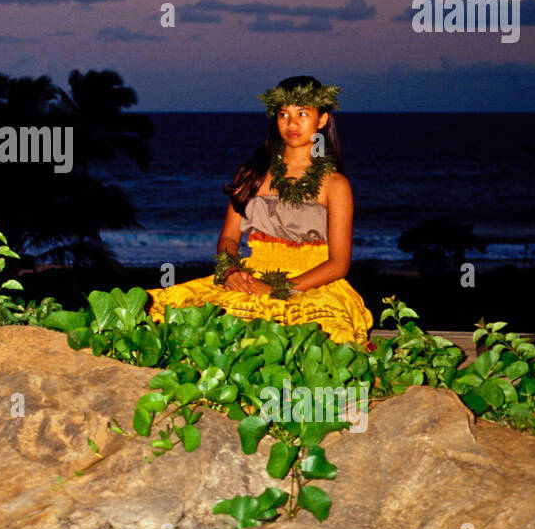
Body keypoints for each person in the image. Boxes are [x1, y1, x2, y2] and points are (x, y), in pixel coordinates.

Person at [146, 75, 374, 347]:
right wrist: (231, 273)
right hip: (251, 274)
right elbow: (229, 238)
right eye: (283, 114)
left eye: (302, 113)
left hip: (311, 283)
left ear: (322, 119)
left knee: (314, 334)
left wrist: (279, 289)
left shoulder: (335, 185)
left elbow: (339, 263)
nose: (292, 124)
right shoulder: (252, 173)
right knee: (196, 318)